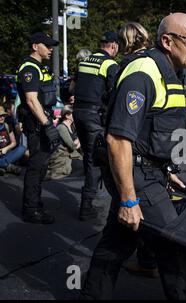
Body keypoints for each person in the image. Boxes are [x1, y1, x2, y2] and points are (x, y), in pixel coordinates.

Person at [81, 15, 186, 300]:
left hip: (149, 171)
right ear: (167, 41)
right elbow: (118, 140)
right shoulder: (143, 72)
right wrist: (129, 199)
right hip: (135, 174)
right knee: (175, 248)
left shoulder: (174, 70)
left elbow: (153, 130)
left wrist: (164, 168)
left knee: (117, 244)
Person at [73, 31, 119, 221]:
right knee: (95, 160)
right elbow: (115, 93)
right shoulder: (109, 64)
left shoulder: (84, 61)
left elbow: (71, 88)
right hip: (94, 117)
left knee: (88, 157)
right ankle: (86, 206)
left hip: (78, 113)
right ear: (114, 46)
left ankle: (90, 196)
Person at [16, 32, 60, 224]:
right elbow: (31, 100)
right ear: (35, 46)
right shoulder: (30, 68)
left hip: (41, 123)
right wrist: (47, 124)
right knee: (36, 166)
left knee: (41, 165)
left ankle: (35, 203)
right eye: (47, 45)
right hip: (36, 125)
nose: (50, 49)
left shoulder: (39, 67)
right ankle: (31, 210)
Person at [45, 105, 82, 180]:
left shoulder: (72, 126)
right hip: (62, 158)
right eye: (74, 114)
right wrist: (80, 138)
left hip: (71, 155)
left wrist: (78, 141)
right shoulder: (61, 128)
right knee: (84, 167)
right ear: (67, 115)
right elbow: (73, 146)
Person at [0, 106, 24, 175]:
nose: (2, 118)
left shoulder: (7, 126)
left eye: (3, 116)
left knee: (22, 148)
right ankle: (8, 167)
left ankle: (3, 165)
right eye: (0, 116)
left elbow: (14, 143)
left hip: (6, 154)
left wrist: (6, 148)